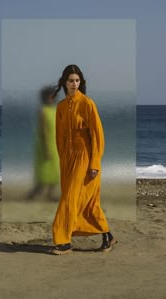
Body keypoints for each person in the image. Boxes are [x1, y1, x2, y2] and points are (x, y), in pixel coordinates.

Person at [50, 65, 117, 255]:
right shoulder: (61, 107)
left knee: (69, 199)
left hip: (86, 157)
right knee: (87, 203)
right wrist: (62, 158)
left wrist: (94, 162)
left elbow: (97, 135)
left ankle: (63, 241)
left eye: (77, 80)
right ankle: (108, 236)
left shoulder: (88, 104)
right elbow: (59, 136)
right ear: (64, 82)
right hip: (68, 159)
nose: (74, 84)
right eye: (71, 80)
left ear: (81, 82)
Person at [26, 86, 60, 201]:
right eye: (50, 97)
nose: (52, 99)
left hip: (56, 143)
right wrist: (46, 149)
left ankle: (50, 195)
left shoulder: (56, 110)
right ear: (45, 98)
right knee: (43, 174)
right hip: (46, 144)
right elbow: (44, 131)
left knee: (56, 171)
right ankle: (32, 195)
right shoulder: (43, 111)